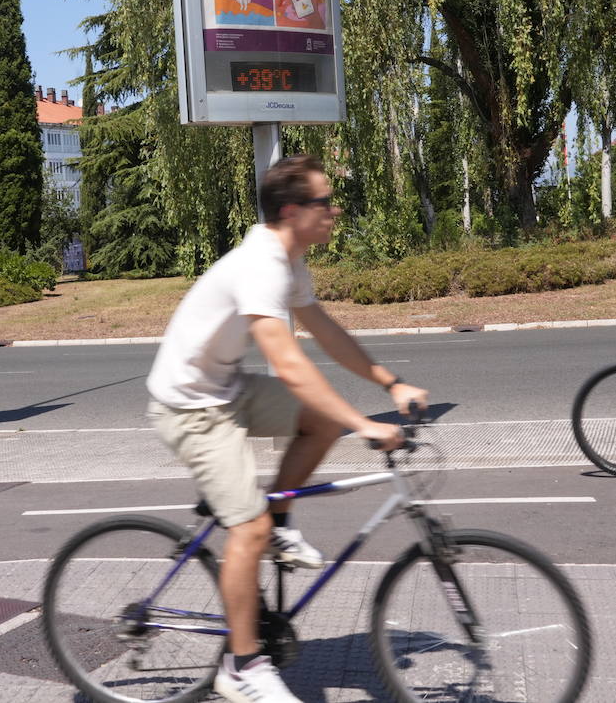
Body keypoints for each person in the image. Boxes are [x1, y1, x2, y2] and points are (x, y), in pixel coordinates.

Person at [146, 154, 428, 703]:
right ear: (294, 210)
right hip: (189, 407)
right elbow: (291, 363)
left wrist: (390, 383)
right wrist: (364, 423)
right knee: (245, 533)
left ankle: (276, 519)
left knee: (321, 424)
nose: (335, 209)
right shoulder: (261, 266)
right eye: (325, 201)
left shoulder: (293, 260)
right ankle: (242, 666)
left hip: (226, 388)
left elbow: (326, 333)